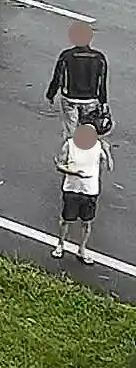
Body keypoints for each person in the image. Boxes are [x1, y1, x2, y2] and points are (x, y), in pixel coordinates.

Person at [54, 121, 113, 264]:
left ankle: (82, 249)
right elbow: (59, 164)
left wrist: (108, 151)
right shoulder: (69, 144)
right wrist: (73, 172)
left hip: (90, 190)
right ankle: (60, 245)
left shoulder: (99, 147)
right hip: (72, 189)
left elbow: (110, 167)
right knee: (66, 220)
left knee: (87, 222)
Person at [46, 22, 110, 140]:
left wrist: (51, 94)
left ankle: (69, 155)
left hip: (70, 98)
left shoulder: (66, 56)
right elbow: (102, 82)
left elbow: (58, 78)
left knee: (70, 132)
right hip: (91, 99)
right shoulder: (99, 57)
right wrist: (103, 102)